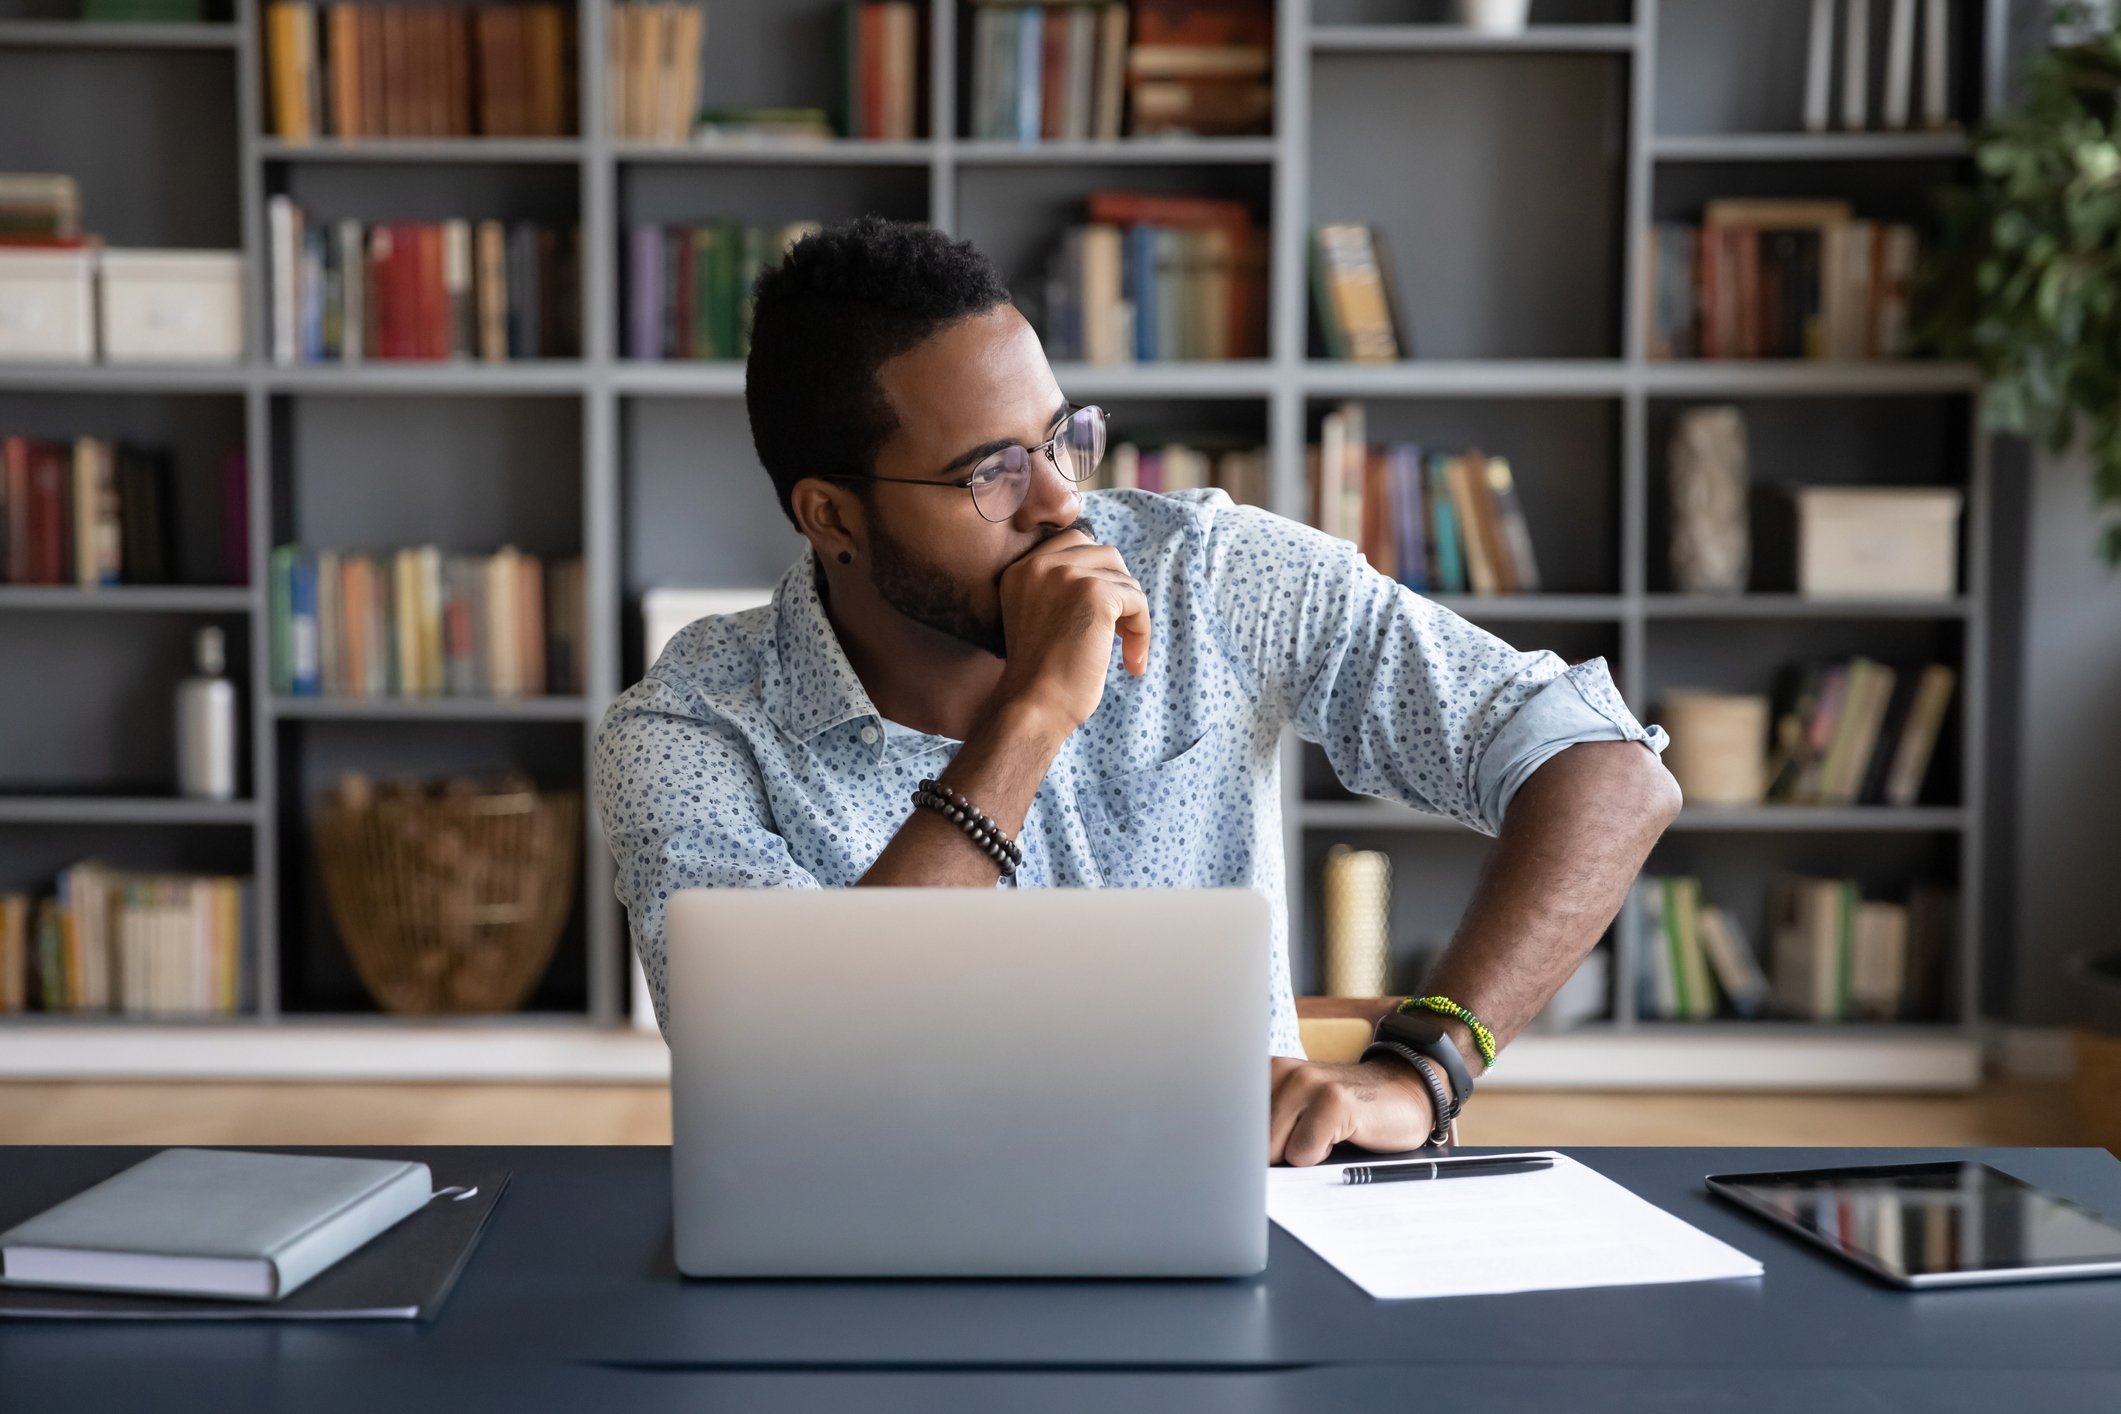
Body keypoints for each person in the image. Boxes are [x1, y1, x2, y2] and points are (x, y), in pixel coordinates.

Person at [592, 215, 1681, 1166]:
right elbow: (784, 1079)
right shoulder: (688, 733)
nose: (1065, 504)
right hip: (889, 1256)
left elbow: (1611, 770)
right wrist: (1033, 716)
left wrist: (1428, 1064)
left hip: (1245, 1212)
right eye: (990, 474)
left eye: (1062, 437)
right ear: (830, 515)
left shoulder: (1207, 572)